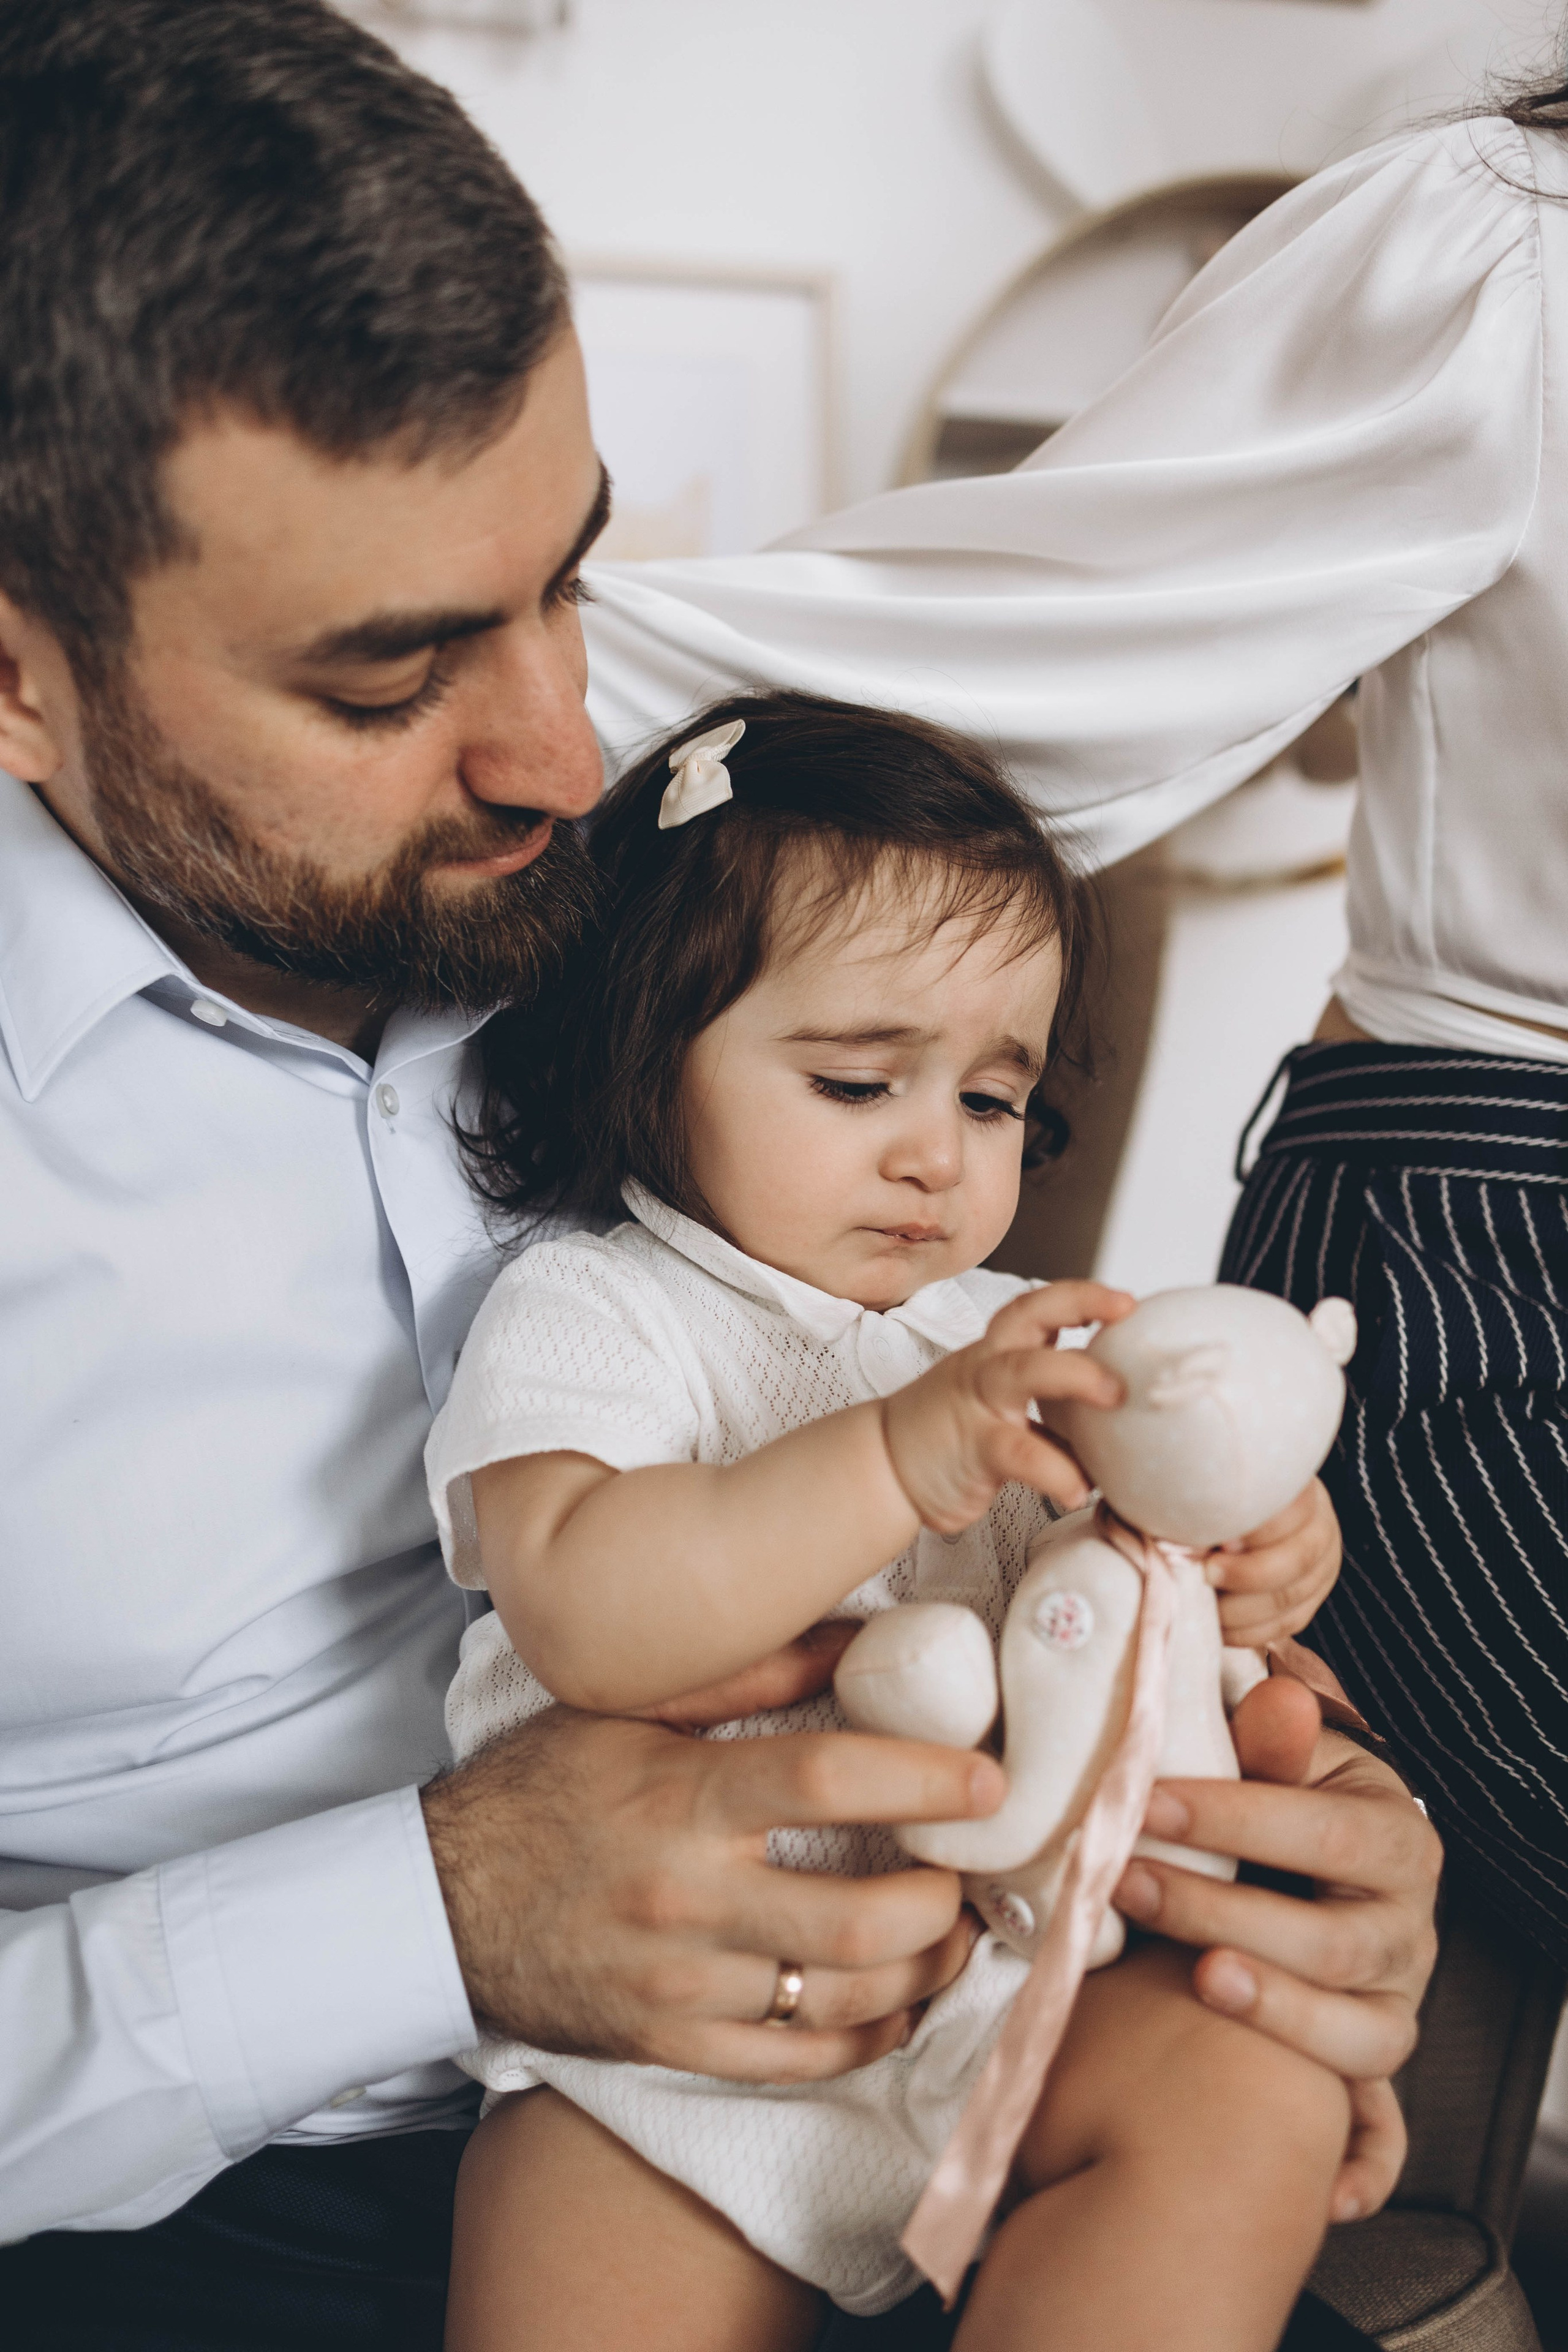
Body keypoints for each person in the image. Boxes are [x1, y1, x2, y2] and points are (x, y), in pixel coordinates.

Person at [0, 4, 1439, 2344]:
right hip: (202, 2198)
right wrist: (436, 1912)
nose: (567, 746)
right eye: (386, 688)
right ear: (23, 673)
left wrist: (1279, 1819)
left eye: (569, 574)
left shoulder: (716, 832)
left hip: (947, 2020)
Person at [427, 691, 1351, 2352]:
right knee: (572, 2263)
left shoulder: (1000, 1337)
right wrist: (900, 1465)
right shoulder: (598, 1310)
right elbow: (579, 1601)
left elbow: (1148, 1582)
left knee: (1248, 2083)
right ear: (649, 1059)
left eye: (994, 1103)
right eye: (861, 1083)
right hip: (667, 2049)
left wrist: (1259, 1555)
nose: (939, 1155)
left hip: (1002, 1992)